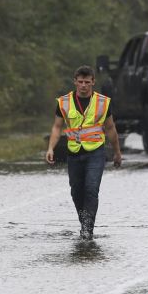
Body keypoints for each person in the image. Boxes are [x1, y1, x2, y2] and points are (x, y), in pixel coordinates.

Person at [46, 65, 122, 240]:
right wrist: (50, 148)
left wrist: (117, 153)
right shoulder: (64, 102)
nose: (83, 86)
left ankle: (87, 228)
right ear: (75, 82)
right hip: (73, 153)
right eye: (80, 82)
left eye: (87, 82)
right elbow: (57, 127)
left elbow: (111, 129)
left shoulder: (103, 102)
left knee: (91, 188)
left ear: (93, 82)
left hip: (95, 152)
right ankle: (84, 221)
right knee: (76, 191)